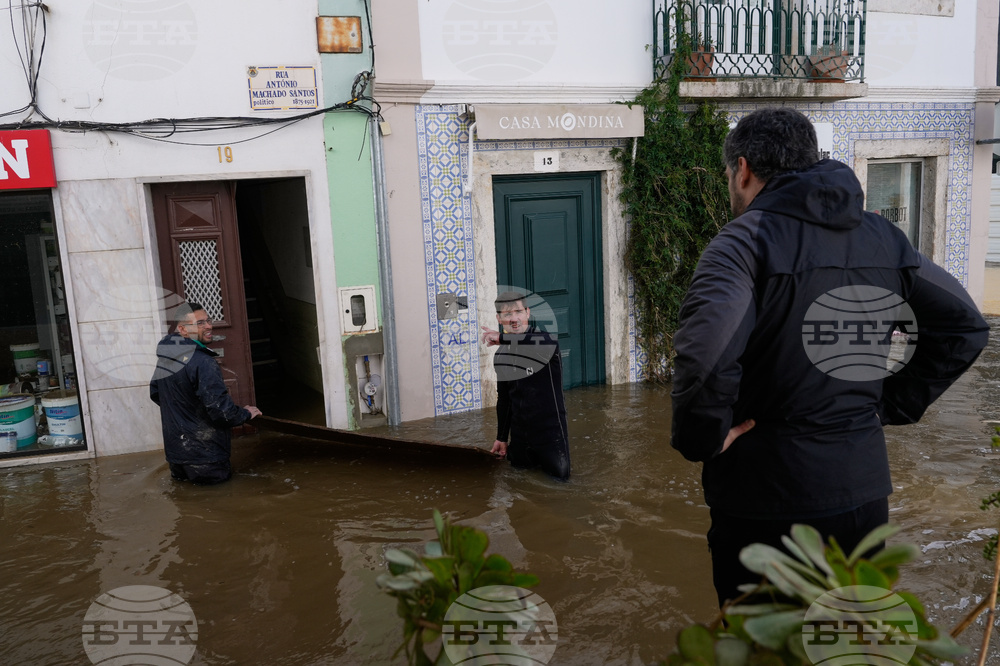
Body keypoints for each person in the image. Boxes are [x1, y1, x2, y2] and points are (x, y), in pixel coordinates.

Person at [669, 107, 989, 606]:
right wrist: (889, 404)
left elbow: (705, 355)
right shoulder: (883, 237)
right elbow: (964, 325)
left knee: (762, 650)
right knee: (847, 644)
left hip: (765, 498)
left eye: (730, 175)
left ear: (744, 169)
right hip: (861, 498)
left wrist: (702, 438)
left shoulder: (742, 243)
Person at [150, 302, 262, 485]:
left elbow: (156, 393)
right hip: (206, 457)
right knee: (218, 508)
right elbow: (221, 412)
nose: (209, 326)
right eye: (200, 323)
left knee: (188, 507)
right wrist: (246, 413)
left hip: (176, 455)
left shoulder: (166, 358)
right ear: (183, 330)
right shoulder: (203, 362)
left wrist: (186, 414)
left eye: (208, 320)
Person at [481, 291, 571, 481]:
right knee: (517, 488)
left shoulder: (544, 343)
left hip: (550, 436)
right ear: (499, 318)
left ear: (528, 313)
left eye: (518, 312)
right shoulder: (501, 355)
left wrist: (503, 338)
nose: (514, 319)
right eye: (507, 315)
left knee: (561, 487)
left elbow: (549, 342)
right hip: (520, 438)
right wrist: (502, 438)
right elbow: (504, 400)